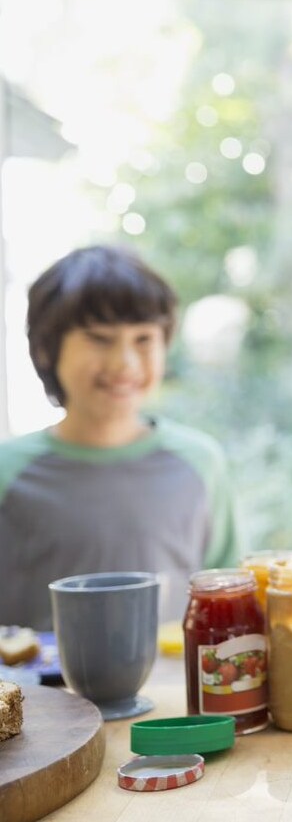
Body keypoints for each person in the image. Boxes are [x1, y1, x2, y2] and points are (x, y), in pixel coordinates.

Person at [0, 245, 240, 629]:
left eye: (143, 339)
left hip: (171, 687)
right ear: (46, 349)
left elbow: (228, 602)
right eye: (99, 338)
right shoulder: (7, 470)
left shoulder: (200, 462)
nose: (124, 363)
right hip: (36, 689)